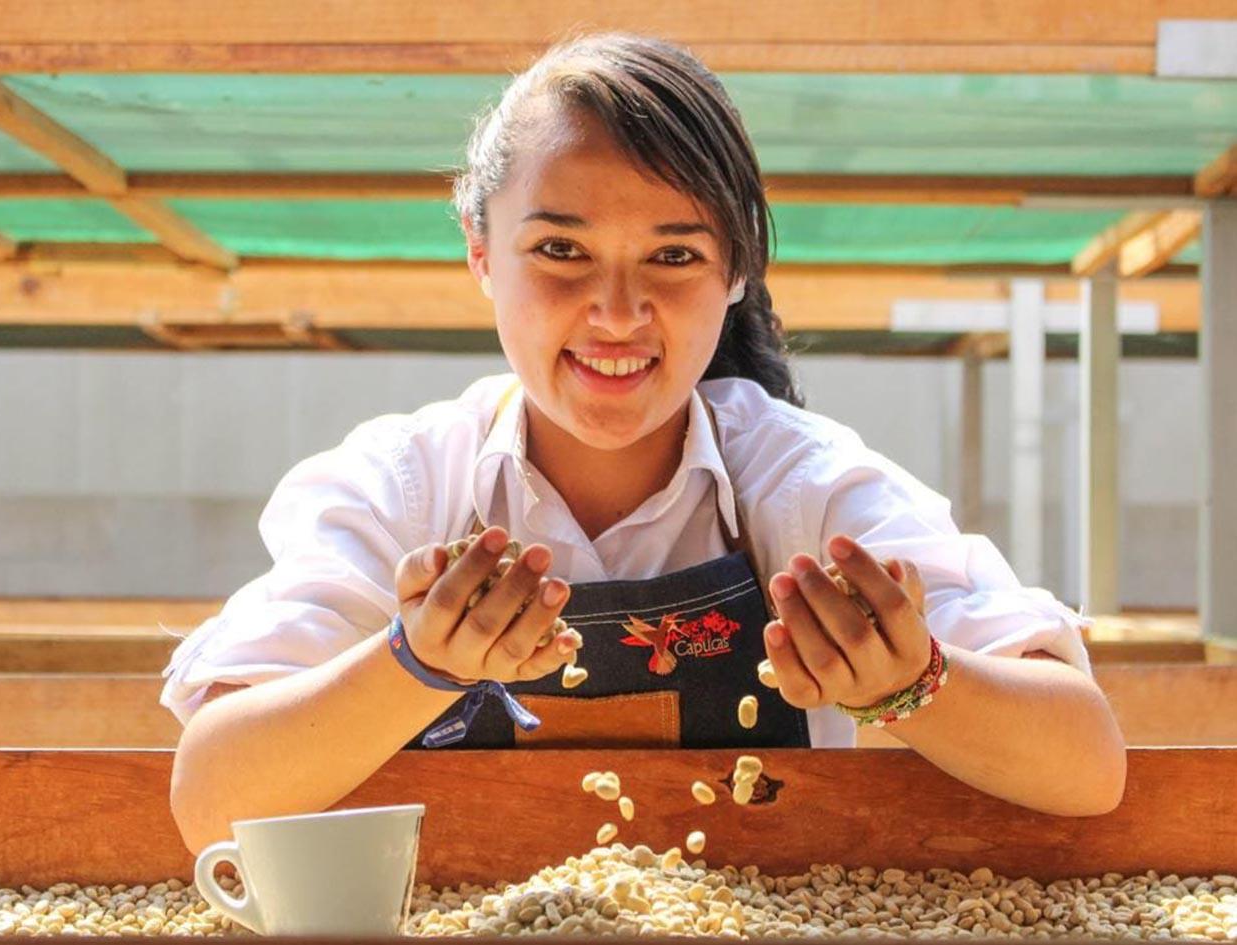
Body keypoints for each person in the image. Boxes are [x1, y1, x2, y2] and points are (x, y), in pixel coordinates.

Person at [163, 31, 1126, 854]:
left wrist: (917, 681)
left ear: (736, 270)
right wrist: (416, 663)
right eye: (561, 250)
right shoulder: (404, 488)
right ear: (479, 249)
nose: (618, 312)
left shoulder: (804, 487)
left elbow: (1088, 765)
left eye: (674, 255)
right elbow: (210, 796)